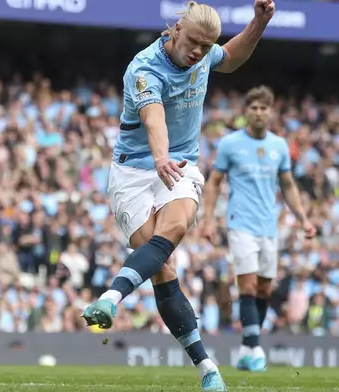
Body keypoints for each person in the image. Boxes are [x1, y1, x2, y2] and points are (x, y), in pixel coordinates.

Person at [81, 1, 275, 391]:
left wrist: (259, 21)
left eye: (206, 46)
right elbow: (154, 118)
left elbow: (232, 58)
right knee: (163, 269)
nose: (199, 53)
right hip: (134, 172)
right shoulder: (144, 68)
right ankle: (204, 363)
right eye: (194, 43)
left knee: (175, 228)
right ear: (175, 31)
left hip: (180, 164)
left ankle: (111, 297)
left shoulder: (202, 54)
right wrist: (159, 157)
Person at [201, 86, 316, 372]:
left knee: (264, 288)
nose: (258, 112)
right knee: (248, 284)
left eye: (264, 108)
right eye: (253, 107)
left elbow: (288, 185)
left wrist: (302, 218)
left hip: (268, 225)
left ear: (270, 111)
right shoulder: (230, 144)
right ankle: (255, 349)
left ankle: (246, 349)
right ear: (246, 111)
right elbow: (214, 182)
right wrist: (208, 219)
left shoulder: (278, 146)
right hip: (240, 223)